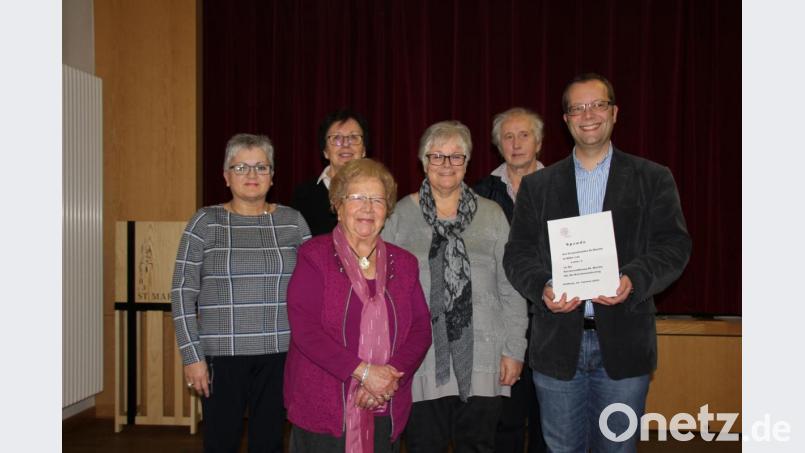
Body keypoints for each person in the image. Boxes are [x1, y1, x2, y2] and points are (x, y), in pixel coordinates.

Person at [503, 73, 692, 453]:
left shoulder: (652, 178)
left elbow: (674, 246)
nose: (588, 115)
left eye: (598, 105)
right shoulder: (539, 187)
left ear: (615, 112)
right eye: (578, 108)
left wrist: (634, 278)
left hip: (624, 347)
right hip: (557, 347)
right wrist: (543, 285)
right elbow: (518, 254)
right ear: (566, 119)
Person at [382, 121, 528, 453]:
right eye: (437, 157)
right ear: (423, 161)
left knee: (478, 446)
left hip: (483, 355)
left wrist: (514, 350)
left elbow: (511, 288)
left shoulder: (492, 215)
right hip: (421, 358)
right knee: (424, 445)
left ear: (467, 162)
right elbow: (385, 292)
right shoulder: (399, 216)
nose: (447, 165)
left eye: (456, 157)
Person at [171, 133, 311, 453]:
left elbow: (311, 291)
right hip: (222, 356)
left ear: (272, 176)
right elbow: (181, 292)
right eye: (241, 167)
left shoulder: (292, 221)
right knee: (221, 443)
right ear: (225, 176)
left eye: (261, 167)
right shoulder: (205, 222)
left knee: (270, 443)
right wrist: (192, 357)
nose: (252, 175)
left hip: (281, 354)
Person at [284, 158, 432, 453]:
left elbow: (421, 329)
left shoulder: (404, 263)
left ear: (387, 210)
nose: (367, 208)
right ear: (338, 205)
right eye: (357, 198)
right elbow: (306, 330)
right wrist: (364, 373)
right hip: (323, 406)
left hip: (386, 402)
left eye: (377, 199)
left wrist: (388, 376)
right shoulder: (314, 256)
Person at [474, 107, 547, 453]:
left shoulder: (563, 185)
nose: (516, 144)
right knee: (506, 419)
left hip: (554, 318)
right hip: (501, 323)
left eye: (524, 135)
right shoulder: (479, 194)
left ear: (539, 141)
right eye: (508, 136)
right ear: (497, 144)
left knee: (551, 419)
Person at [291, 109, 369, 236]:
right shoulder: (303, 195)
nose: (345, 144)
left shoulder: (379, 192)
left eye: (353, 137)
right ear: (325, 151)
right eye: (336, 138)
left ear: (364, 150)